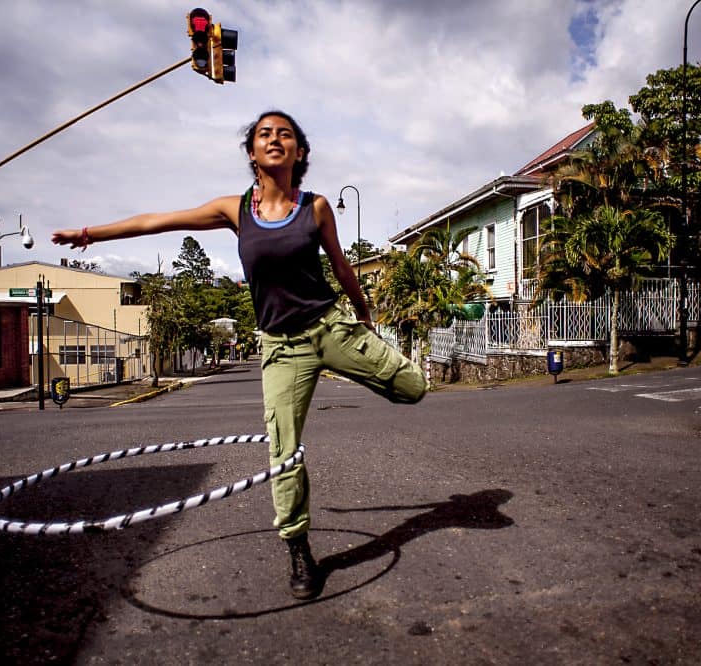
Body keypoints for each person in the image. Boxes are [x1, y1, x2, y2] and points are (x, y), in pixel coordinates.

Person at [52, 110, 427, 599]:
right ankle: (298, 548)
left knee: (414, 388)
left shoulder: (315, 208)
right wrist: (91, 235)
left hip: (331, 328)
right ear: (252, 153)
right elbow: (156, 222)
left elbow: (341, 265)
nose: (274, 140)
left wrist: (364, 313)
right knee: (283, 451)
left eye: (285, 135)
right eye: (264, 135)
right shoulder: (236, 210)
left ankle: (376, 365)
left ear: (299, 153)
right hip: (281, 347)